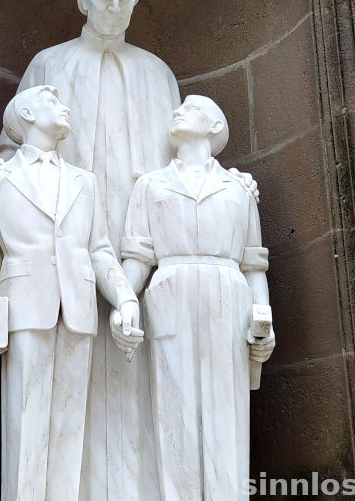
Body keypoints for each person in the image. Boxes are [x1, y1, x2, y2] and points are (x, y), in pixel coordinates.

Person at [0, 0, 259, 499]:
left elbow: (188, 163)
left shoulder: (158, 74)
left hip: (142, 260)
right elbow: (12, 154)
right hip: (68, 257)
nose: (115, 5)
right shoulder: (48, 68)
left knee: (145, 389)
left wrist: (235, 190)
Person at [0, 85, 142, 501]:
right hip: (25, 307)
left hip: (78, 307)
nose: (65, 107)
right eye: (53, 100)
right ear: (26, 111)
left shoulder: (85, 181)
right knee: (26, 424)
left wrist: (125, 298)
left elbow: (99, 250)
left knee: (70, 426)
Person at [120, 95, 275, 500]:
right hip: (169, 294)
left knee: (227, 416)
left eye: (189, 108)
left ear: (213, 125)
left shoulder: (239, 189)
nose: (177, 111)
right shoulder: (149, 184)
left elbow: (253, 264)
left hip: (228, 295)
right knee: (174, 418)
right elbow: (137, 260)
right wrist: (123, 301)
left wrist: (263, 317)